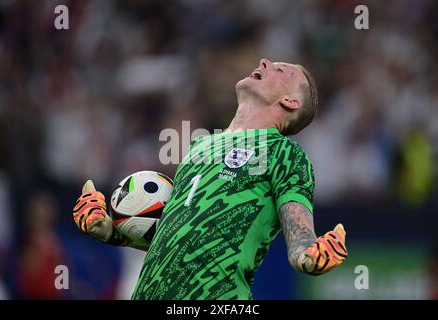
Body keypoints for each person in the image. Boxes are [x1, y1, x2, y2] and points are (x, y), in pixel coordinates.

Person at [73, 58, 348, 299]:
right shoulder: (200, 146)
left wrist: (308, 254)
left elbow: (300, 236)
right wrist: (110, 231)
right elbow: (178, 237)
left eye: (280, 69)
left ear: (290, 101)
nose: (264, 61)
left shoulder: (285, 154)